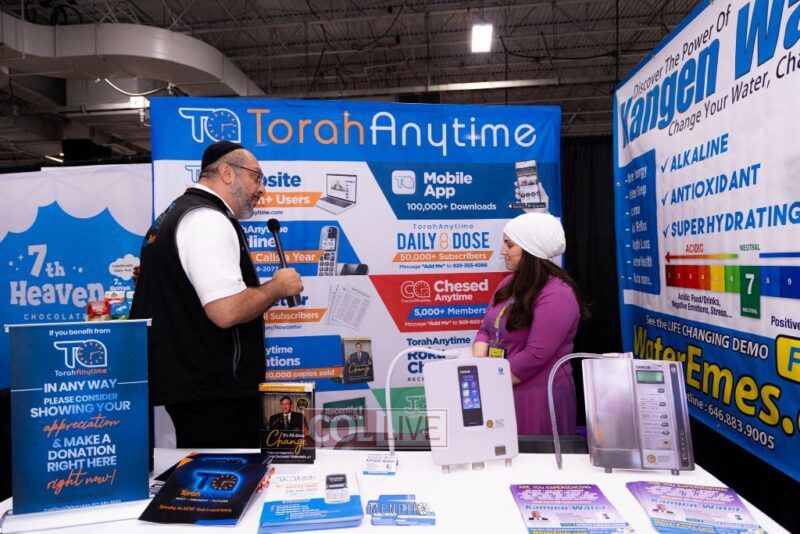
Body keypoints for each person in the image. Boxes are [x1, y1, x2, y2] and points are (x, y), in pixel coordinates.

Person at [131, 140, 303, 448]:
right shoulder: (207, 220)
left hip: (197, 385)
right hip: (215, 392)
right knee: (226, 474)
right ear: (227, 173)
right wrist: (278, 287)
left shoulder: (176, 214)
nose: (261, 189)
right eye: (256, 177)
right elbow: (226, 311)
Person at [473, 212, 590, 436]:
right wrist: (480, 369)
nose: (502, 251)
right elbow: (485, 330)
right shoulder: (508, 284)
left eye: (509, 245)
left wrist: (488, 380)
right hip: (501, 384)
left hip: (537, 397)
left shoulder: (558, 294)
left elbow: (535, 355)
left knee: (531, 456)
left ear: (531, 249)